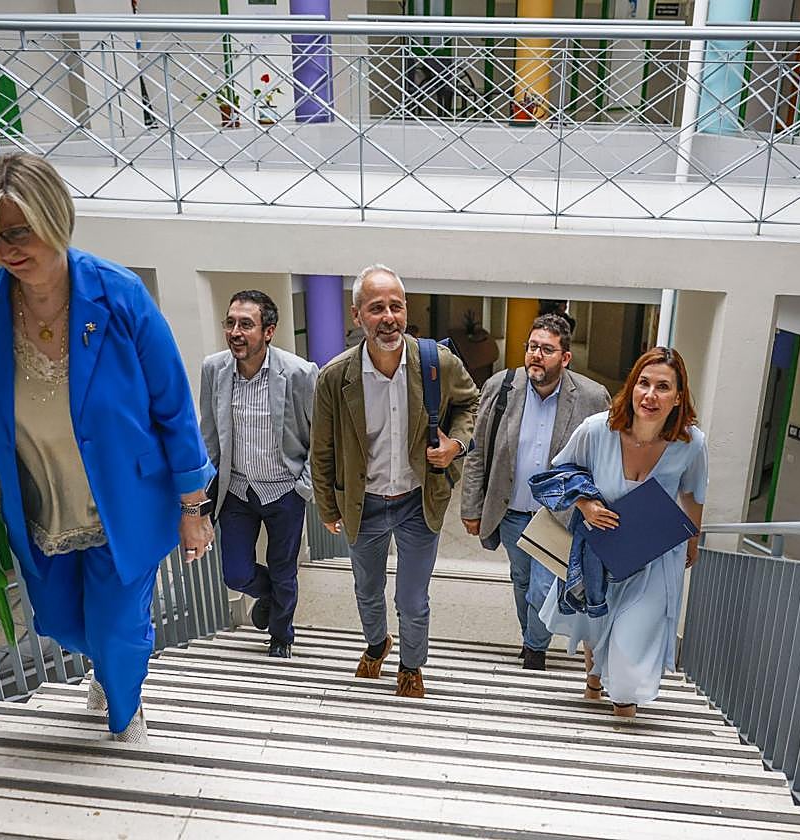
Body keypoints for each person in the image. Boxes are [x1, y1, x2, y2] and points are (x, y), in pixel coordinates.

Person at [0, 152, 215, 744]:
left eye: (19, 230)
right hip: (38, 501)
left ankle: (125, 717)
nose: (6, 247)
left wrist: (194, 511)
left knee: (118, 630)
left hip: (126, 501)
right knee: (63, 622)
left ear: (54, 215)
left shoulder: (119, 296)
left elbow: (173, 408)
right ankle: (112, 672)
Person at [310, 264, 480, 698]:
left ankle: (411, 665)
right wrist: (329, 508)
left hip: (417, 501)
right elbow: (322, 449)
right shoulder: (335, 377)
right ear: (357, 316)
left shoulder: (435, 363)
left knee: (412, 599)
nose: (388, 317)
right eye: (376, 308)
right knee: (367, 590)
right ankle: (376, 644)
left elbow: (471, 405)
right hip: (363, 504)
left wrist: (454, 445)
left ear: (406, 310)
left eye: (396, 307)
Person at [539, 346, 706, 718]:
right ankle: (594, 679)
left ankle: (624, 709)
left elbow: (693, 494)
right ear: (631, 387)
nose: (650, 395)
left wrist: (693, 540)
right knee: (598, 623)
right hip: (601, 550)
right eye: (643, 383)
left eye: (663, 387)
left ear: (678, 397)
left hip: (656, 558)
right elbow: (559, 472)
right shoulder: (597, 429)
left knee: (630, 646)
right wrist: (586, 505)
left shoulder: (692, 444)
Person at [460, 315, 610, 670]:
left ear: (565, 357)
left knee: (544, 588)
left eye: (546, 349)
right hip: (511, 511)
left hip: (558, 516)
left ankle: (534, 653)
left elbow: (604, 459)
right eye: (532, 347)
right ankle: (532, 642)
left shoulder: (591, 397)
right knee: (522, 580)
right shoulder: (501, 387)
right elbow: (478, 449)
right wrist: (471, 505)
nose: (536, 356)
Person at [199, 290, 318, 659]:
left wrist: (306, 487)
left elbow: (320, 435)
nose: (235, 331)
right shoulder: (213, 369)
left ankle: (281, 635)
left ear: (268, 331)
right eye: (230, 322)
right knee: (235, 574)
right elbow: (208, 433)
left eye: (246, 324)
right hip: (235, 491)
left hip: (284, 492)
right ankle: (268, 595)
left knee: (285, 570)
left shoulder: (300, 373)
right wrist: (201, 493)